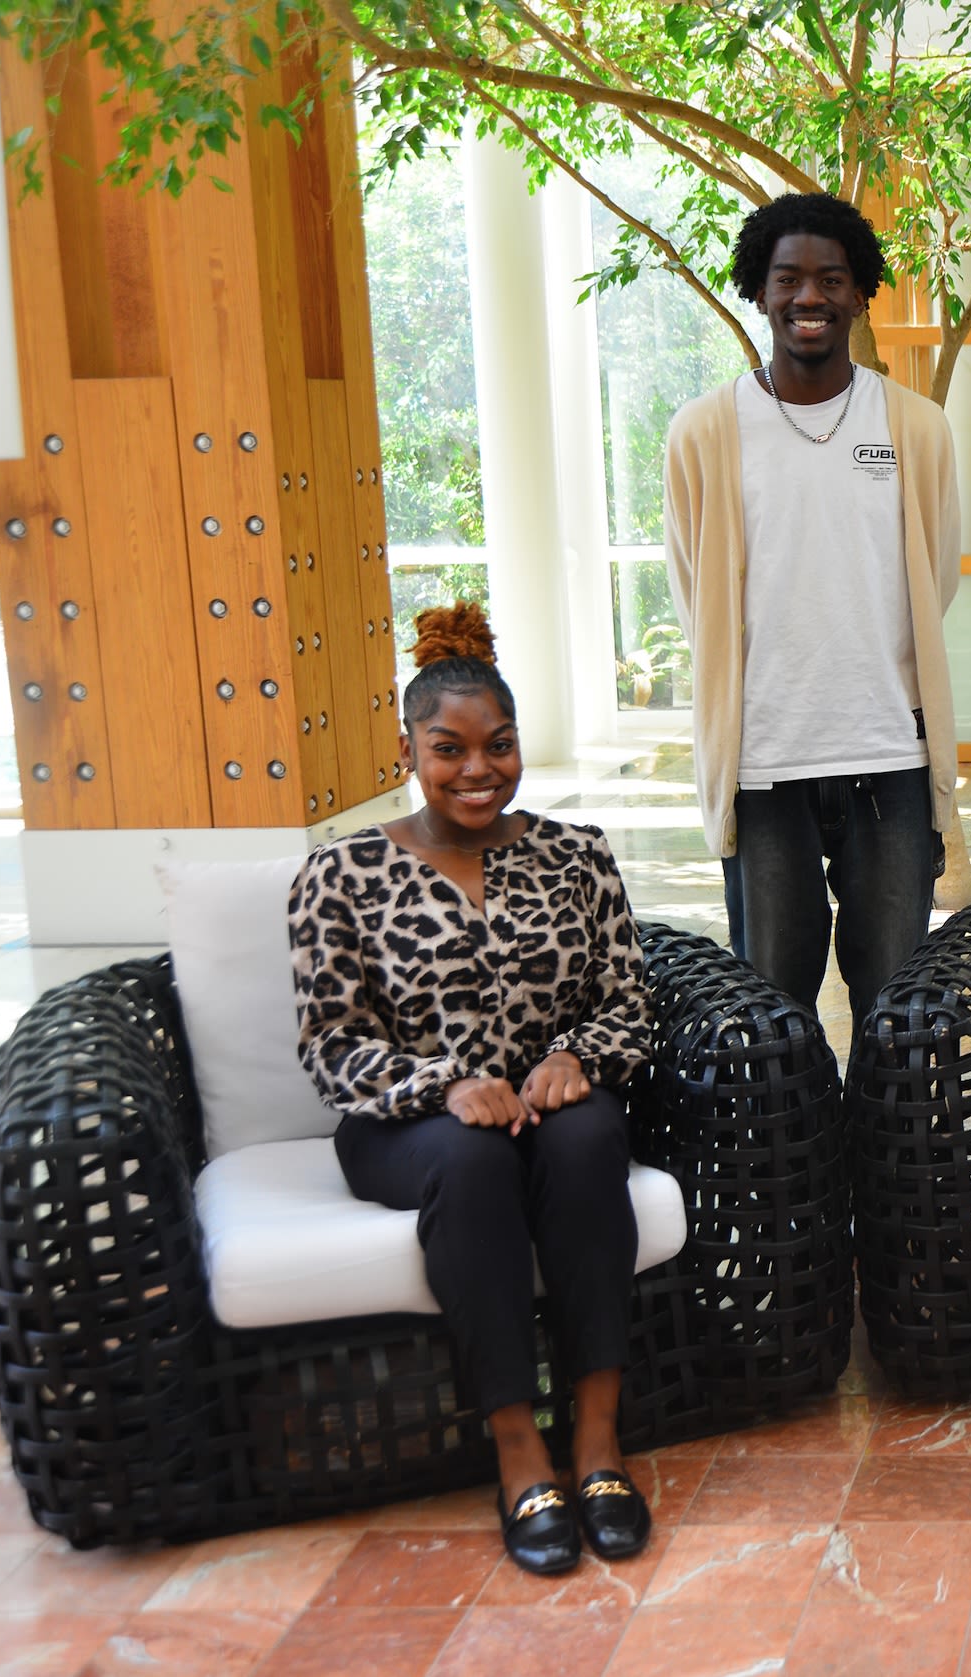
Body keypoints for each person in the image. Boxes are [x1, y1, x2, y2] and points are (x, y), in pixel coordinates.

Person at [290, 603, 656, 1577]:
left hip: (553, 1108)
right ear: (406, 746)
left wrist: (576, 1057)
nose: (478, 770)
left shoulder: (578, 855)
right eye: (448, 749)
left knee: (584, 1143)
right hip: (412, 1128)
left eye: (498, 746)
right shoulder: (341, 872)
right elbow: (330, 1042)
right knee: (471, 1154)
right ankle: (516, 1447)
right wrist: (444, 1084)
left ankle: (596, 1439)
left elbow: (628, 998)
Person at [663, 190, 971, 1030]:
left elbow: (934, 578)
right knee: (773, 1006)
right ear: (758, 291)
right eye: (789, 278)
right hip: (765, 758)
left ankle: (886, 1162)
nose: (811, 296)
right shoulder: (705, 431)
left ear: (860, 291)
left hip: (889, 755)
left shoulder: (917, 427)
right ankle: (786, 1163)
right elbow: (696, 592)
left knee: (895, 1005)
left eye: (832, 278)